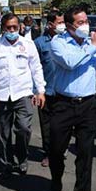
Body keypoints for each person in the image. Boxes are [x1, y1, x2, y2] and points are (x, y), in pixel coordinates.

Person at [49, 6, 96, 191]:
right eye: (80, 22)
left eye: (86, 21)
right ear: (69, 26)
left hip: (87, 105)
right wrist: (93, 46)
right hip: (63, 104)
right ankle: (56, 178)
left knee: (85, 154)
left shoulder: (92, 43)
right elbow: (69, 63)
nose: (85, 25)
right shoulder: (58, 42)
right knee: (56, 150)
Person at [0, 13, 46, 174]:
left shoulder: (28, 45)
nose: (12, 30)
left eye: (14, 27)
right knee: (3, 132)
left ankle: (22, 158)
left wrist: (40, 90)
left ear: (20, 27)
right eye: (8, 27)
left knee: (24, 128)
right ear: (3, 28)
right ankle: (7, 162)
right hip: (1, 94)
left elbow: (36, 68)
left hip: (23, 93)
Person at [34, 10, 65, 167]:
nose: (62, 25)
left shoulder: (67, 40)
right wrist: (36, 91)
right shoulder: (39, 43)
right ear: (51, 24)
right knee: (46, 125)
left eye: (63, 22)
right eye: (60, 22)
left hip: (64, 91)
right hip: (46, 92)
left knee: (61, 125)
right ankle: (48, 153)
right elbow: (34, 67)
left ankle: (59, 150)